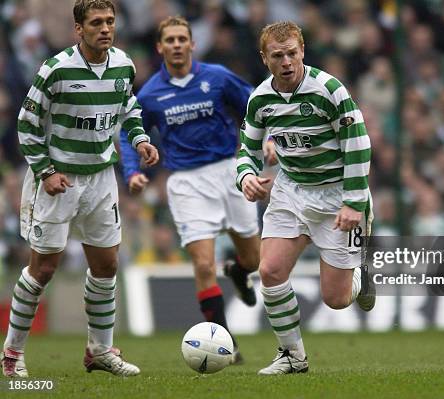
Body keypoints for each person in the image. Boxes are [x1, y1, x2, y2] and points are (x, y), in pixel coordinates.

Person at [1, 0, 159, 378]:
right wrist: (46, 171)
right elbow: (26, 124)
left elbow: (129, 110)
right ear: (78, 29)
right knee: (43, 267)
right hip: (59, 179)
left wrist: (139, 141)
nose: (105, 28)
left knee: (106, 264)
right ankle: (12, 354)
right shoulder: (56, 69)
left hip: (102, 179)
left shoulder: (123, 64)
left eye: (109, 21)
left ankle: (99, 350)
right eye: (96, 23)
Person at [119, 16, 271, 363]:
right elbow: (130, 132)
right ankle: (225, 345)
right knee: (203, 265)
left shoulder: (216, 77)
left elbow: (254, 103)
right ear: (160, 47)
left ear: (191, 44)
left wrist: (270, 137)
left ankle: (238, 272)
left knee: (254, 259)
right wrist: (131, 172)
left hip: (229, 172)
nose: (175, 44)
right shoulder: (150, 94)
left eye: (181, 39)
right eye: (169, 39)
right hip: (186, 182)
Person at [237, 21, 375, 375]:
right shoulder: (260, 98)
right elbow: (247, 149)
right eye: (278, 55)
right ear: (265, 58)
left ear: (303, 52)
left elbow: (358, 143)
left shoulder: (329, 89)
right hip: (291, 190)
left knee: (337, 299)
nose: (286, 62)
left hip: (336, 195)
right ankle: (292, 356)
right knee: (269, 270)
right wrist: (247, 176)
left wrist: (353, 202)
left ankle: (362, 270)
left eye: (292, 53)